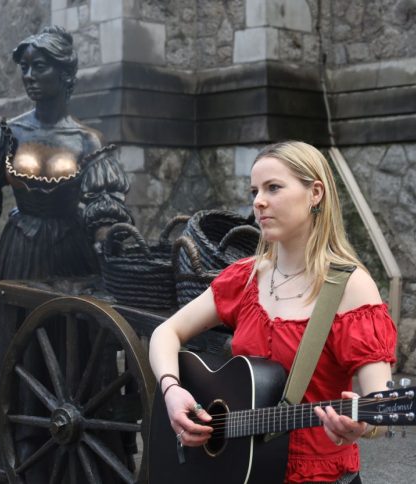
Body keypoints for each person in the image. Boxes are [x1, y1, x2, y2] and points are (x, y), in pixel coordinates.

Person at [0, 26, 132, 483]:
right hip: (20, 253)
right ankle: (1, 459)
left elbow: (105, 213)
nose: (29, 75)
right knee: (12, 352)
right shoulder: (5, 133)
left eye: (40, 66)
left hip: (72, 259)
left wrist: (115, 250)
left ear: (66, 74)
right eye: (24, 66)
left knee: (70, 353)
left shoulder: (87, 141)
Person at [149, 141, 397, 483]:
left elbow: (381, 406)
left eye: (273, 188)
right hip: (240, 469)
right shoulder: (246, 277)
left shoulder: (350, 288)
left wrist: (362, 426)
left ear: (315, 193)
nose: (258, 201)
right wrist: (172, 390)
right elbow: (166, 332)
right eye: (254, 190)